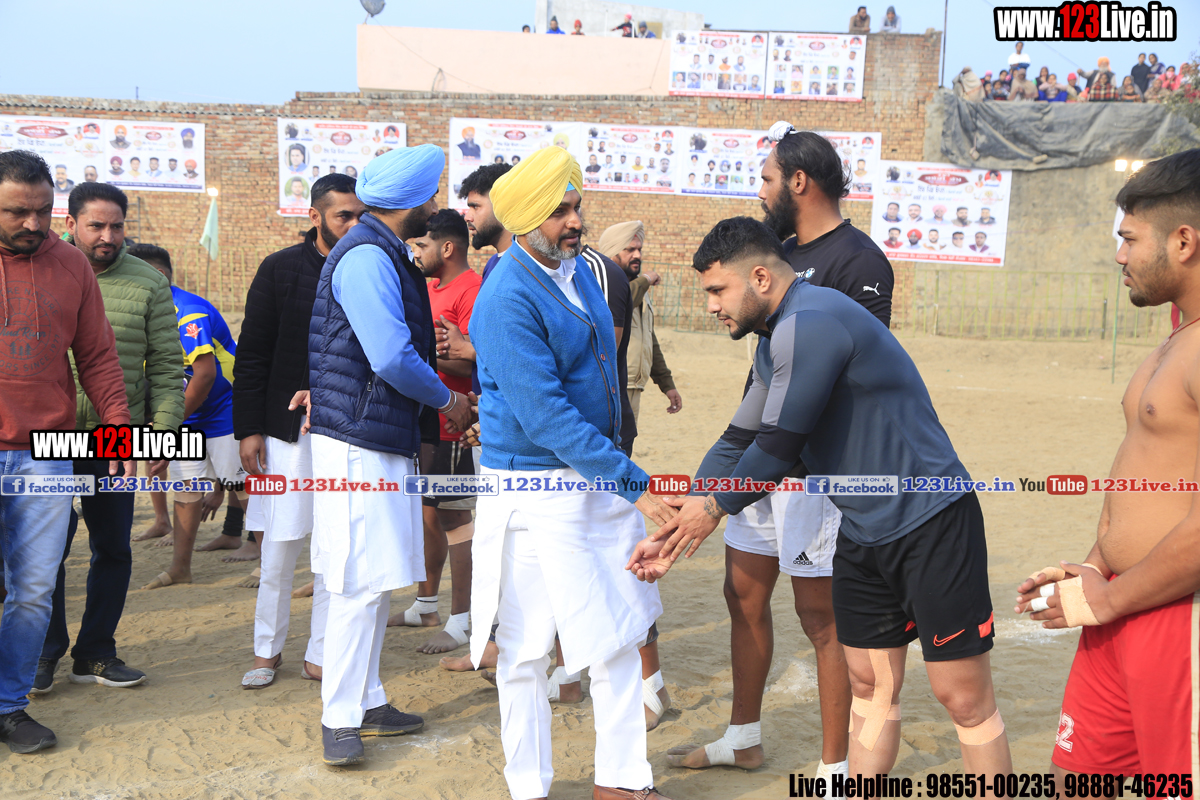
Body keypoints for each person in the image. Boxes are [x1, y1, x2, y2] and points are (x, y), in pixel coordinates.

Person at [629, 215, 1014, 779]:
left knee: (962, 697)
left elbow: (779, 447)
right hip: (862, 531)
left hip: (930, 521)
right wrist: (677, 523)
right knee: (871, 689)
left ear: (760, 278)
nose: (711, 306)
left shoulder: (811, 321)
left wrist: (710, 510)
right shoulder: (773, 341)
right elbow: (737, 441)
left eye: (717, 290)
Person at [469, 144, 677, 800]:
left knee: (617, 636)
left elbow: (603, 372)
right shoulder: (504, 296)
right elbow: (546, 417)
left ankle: (622, 781)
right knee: (526, 651)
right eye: (559, 211)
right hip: (534, 490)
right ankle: (528, 787)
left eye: (577, 206)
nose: (575, 221)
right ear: (525, 218)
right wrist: (634, 484)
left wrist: (618, 472)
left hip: (595, 480)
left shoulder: (582, 271)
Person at [1017, 148, 1200, 778]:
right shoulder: (1179, 335)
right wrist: (1096, 565)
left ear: (1183, 242)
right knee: (1077, 780)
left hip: (1177, 617)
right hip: (1120, 603)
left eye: (1130, 239)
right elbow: (1149, 469)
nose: (1120, 255)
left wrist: (1109, 599)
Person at [306, 144, 472, 766]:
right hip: (359, 443)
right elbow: (392, 357)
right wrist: (449, 400)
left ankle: (368, 700)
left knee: (374, 579)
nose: (436, 204)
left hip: (376, 436)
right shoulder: (368, 257)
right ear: (413, 200)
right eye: (431, 195)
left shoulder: (383, 251)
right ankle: (340, 718)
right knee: (356, 581)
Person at [0, 150, 129, 754]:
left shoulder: (72, 265)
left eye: (43, 211)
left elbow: (97, 355)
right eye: (17, 212)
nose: (33, 224)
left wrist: (118, 429)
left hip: (44, 453)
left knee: (33, 589)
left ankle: (9, 705)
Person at [33, 184, 183, 696]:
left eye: (116, 226)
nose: (108, 236)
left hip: (113, 442)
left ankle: (96, 652)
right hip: (45, 439)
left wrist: (162, 436)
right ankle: (44, 650)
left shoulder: (148, 282)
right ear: (70, 223)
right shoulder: (41, 271)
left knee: (113, 546)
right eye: (96, 225)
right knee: (45, 549)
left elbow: (167, 367)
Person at [232, 173, 364, 689]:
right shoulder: (280, 269)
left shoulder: (369, 269)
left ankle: (321, 653)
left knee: (335, 548)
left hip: (346, 433)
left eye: (360, 216)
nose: (353, 225)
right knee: (279, 548)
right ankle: (266, 650)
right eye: (342, 216)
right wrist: (249, 429)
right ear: (315, 216)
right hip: (284, 436)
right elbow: (252, 355)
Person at [398, 209, 481, 656]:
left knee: (455, 520)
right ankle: (425, 605)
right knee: (427, 515)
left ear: (447, 248)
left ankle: (462, 620)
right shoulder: (429, 287)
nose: (416, 252)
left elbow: (473, 365)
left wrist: (417, 360)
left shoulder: (472, 290)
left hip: (454, 424)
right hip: (426, 422)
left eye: (422, 245)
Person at [141, 248, 246, 591]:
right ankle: (180, 569)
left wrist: (168, 427)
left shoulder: (189, 313)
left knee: (241, 486)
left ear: (158, 276)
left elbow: (204, 376)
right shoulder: (144, 311)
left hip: (223, 410)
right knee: (187, 489)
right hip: (185, 414)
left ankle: (266, 563)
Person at [599, 222, 682, 424]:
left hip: (634, 386)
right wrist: (646, 279)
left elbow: (648, 340)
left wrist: (667, 384)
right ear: (612, 252)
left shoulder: (638, 289)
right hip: (612, 385)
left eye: (639, 249)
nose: (637, 255)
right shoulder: (606, 286)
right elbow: (625, 298)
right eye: (629, 250)